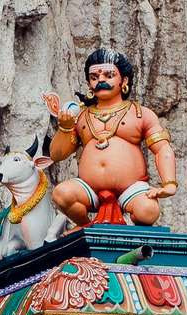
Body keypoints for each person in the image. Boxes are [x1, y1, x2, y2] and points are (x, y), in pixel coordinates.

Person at [40, 48, 177, 226]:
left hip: (131, 189)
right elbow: (56, 155)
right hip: (89, 190)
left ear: (124, 80)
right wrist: (65, 128)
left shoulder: (140, 113)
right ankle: (86, 226)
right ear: (89, 84)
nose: (101, 80)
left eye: (109, 75)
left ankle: (132, 239)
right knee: (61, 194)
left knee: (148, 211)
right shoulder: (81, 116)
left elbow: (162, 149)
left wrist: (169, 183)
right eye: (94, 77)